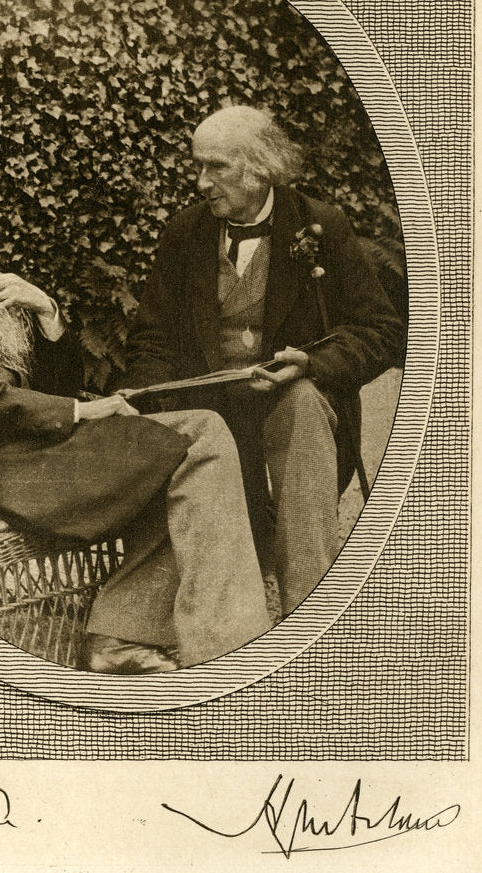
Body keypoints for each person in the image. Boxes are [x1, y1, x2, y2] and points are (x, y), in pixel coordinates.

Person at [0, 203, 271, 674]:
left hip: (35, 453)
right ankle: (218, 647)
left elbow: (59, 384)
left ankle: (126, 640)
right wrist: (77, 411)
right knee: (192, 444)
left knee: (200, 431)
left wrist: (46, 311)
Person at [119, 105, 405, 617]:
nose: (201, 181)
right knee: (159, 429)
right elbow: (153, 337)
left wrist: (313, 363)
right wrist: (145, 393)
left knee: (301, 401)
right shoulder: (186, 233)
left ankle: (311, 609)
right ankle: (163, 622)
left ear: (260, 165)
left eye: (216, 167)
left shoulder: (321, 226)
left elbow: (379, 329)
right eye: (198, 166)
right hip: (210, 405)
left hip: (293, 408)